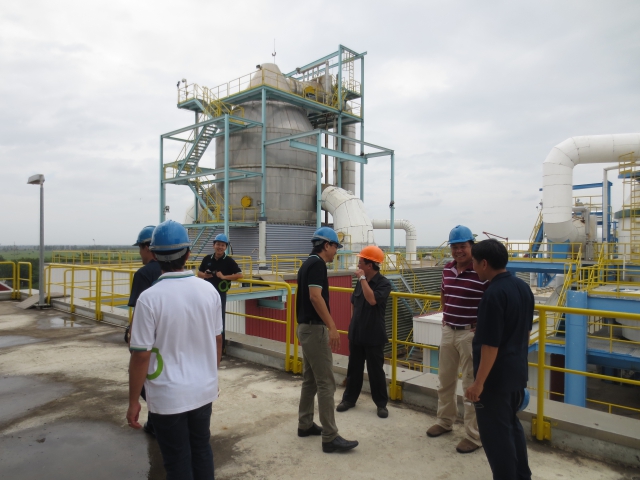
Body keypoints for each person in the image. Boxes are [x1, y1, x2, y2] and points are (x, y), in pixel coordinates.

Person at [127, 220, 223, 479]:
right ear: (188, 253)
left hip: (168, 396)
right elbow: (217, 340)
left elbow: (140, 355)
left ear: (154, 254)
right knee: (201, 449)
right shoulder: (209, 291)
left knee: (177, 460)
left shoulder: (149, 299)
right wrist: (210, 376)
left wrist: (134, 401)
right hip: (203, 390)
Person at [465, 239, 533, 480]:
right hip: (516, 374)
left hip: (495, 381)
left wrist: (478, 384)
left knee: (496, 438)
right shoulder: (522, 287)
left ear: (484, 263)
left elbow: (491, 346)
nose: (473, 267)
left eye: (474, 262)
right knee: (512, 427)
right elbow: (523, 331)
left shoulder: (493, 294)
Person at [296, 226, 358, 453]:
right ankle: (330, 437)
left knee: (310, 380)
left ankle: (305, 424)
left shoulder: (307, 263)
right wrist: (332, 326)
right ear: (326, 245)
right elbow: (315, 297)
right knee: (326, 383)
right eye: (335, 247)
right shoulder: (318, 265)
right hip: (315, 330)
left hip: (305, 328)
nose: (336, 252)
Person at [426, 225, 487, 454]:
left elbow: (490, 301)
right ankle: (445, 421)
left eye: (463, 246)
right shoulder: (448, 269)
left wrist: (480, 326)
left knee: (470, 384)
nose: (458, 251)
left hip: (469, 334)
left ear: (472, 246)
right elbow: (444, 292)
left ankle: (474, 435)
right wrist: (446, 315)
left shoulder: (480, 270)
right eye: (455, 247)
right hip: (449, 330)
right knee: (445, 379)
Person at [336, 245, 392, 419]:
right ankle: (349, 400)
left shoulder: (383, 283)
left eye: (361, 262)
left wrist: (362, 280)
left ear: (370, 265)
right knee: (354, 369)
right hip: (357, 333)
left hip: (374, 335)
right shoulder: (361, 282)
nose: (358, 265)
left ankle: (381, 404)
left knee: (376, 372)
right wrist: (353, 323)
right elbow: (354, 302)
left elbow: (372, 300)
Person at [125, 225, 162, 436]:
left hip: (148, 338)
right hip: (169, 336)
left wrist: (132, 338)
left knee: (143, 381)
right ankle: (159, 421)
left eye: (140, 248)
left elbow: (139, 312)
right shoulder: (175, 271)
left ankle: (158, 422)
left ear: (148, 247)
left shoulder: (143, 274)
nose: (140, 253)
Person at [197, 233, 243, 353]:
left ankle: (220, 349)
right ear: (213, 245)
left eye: (222, 245)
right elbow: (199, 273)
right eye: (218, 244)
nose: (220, 247)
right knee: (206, 318)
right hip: (206, 294)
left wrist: (224, 277)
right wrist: (205, 275)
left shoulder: (229, 261)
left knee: (220, 320)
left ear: (226, 247)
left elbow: (239, 275)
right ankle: (207, 346)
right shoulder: (207, 259)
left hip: (220, 294)